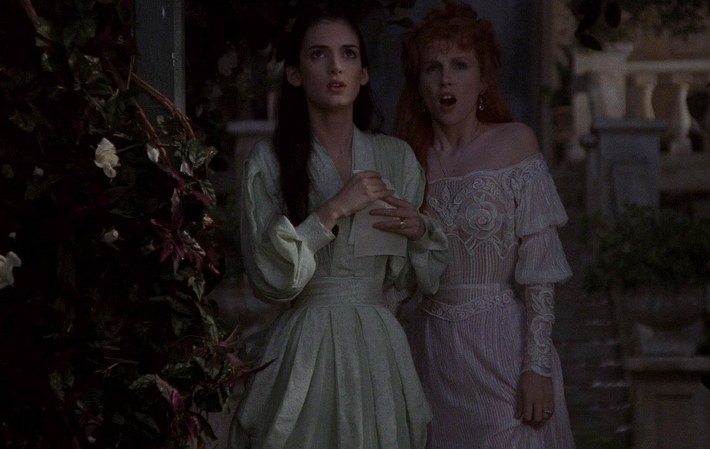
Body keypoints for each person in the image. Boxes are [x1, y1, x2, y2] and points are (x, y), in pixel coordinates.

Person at [228, 5, 448, 449]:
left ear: (364, 73)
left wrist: (419, 232)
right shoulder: (269, 161)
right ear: (294, 74)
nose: (335, 67)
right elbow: (269, 279)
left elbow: (407, 280)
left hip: (377, 347)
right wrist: (331, 211)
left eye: (348, 54)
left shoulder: (396, 158)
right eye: (318, 55)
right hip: (305, 347)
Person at [395, 1, 576, 448]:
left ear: (482, 80)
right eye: (433, 68)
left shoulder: (515, 142)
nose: (446, 79)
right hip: (434, 356)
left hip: (502, 350)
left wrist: (536, 367)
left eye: (460, 65)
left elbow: (540, 270)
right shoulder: (407, 162)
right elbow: (397, 276)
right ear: (420, 84)